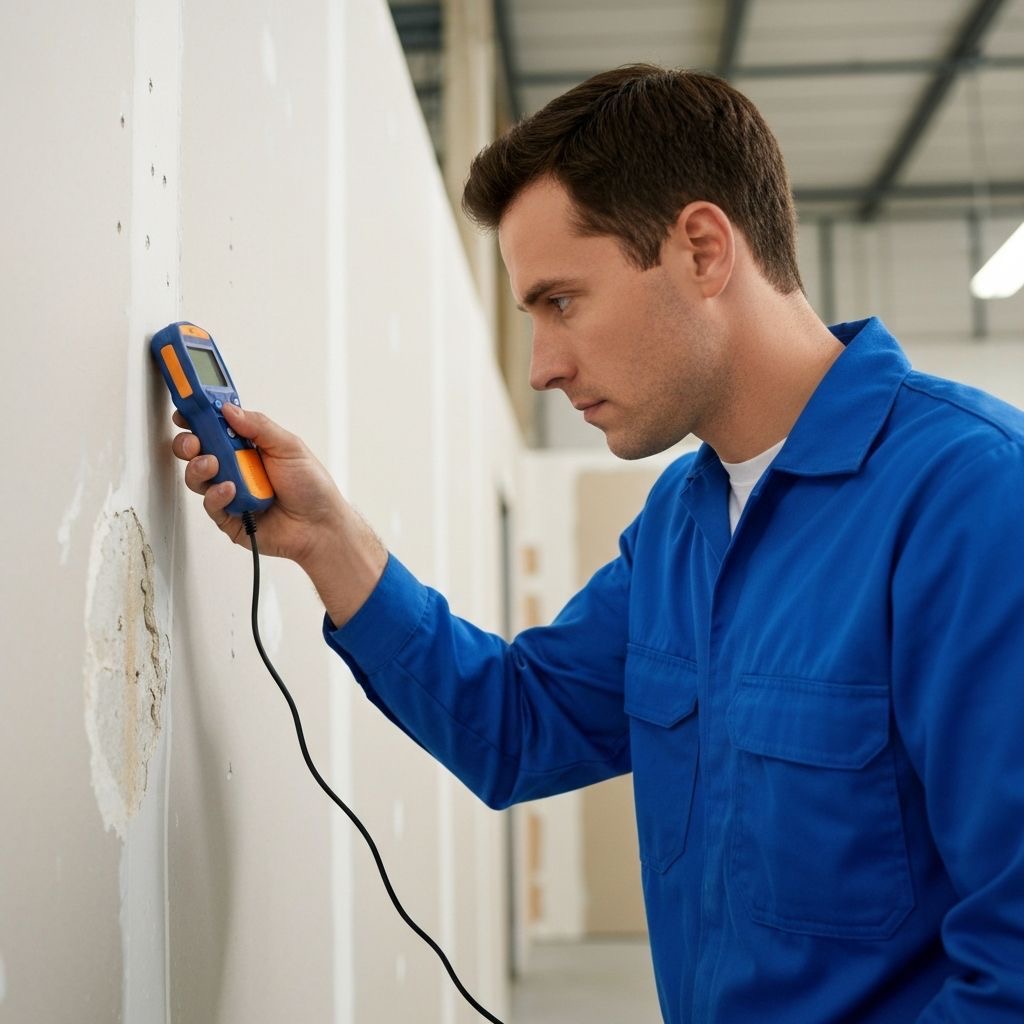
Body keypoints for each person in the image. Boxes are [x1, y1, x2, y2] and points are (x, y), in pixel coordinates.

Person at [169, 66, 1024, 1023]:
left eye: (560, 302)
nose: (541, 367)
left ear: (702, 250)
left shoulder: (975, 499)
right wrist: (330, 541)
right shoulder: (677, 528)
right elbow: (517, 727)